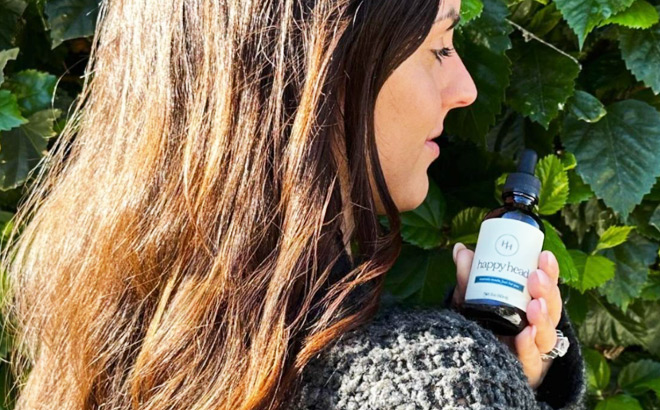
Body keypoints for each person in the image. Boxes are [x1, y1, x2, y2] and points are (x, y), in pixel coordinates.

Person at [0, 0, 585, 408]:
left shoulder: (107, 333)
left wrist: (519, 374)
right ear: (320, 69)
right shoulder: (435, 383)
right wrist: (490, 377)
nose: (466, 89)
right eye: (438, 46)